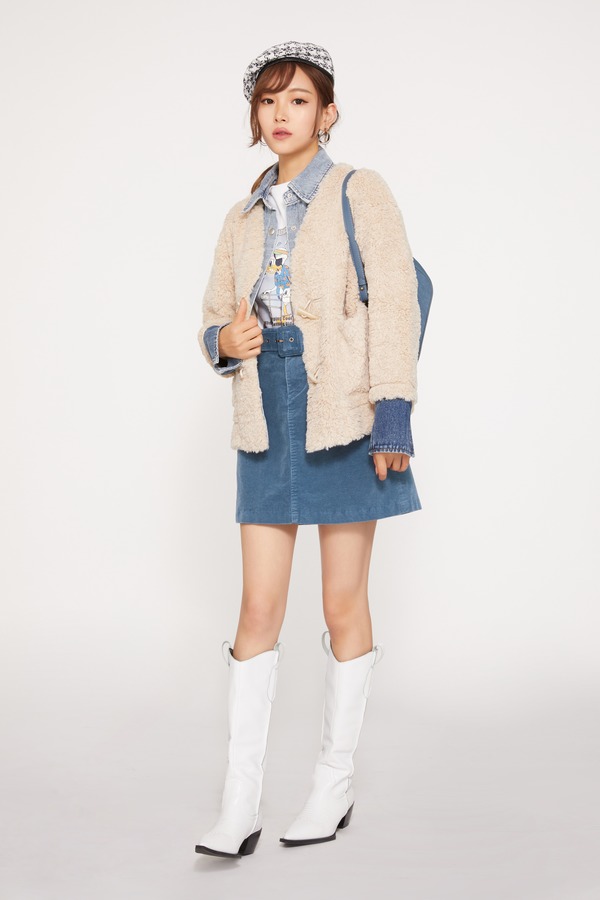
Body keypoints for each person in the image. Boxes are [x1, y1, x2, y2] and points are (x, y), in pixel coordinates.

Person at [195, 40, 422, 859]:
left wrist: (392, 414)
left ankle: (333, 782)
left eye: (297, 100)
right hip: (265, 410)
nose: (280, 114)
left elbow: (396, 298)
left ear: (328, 113)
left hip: (345, 409)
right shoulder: (241, 216)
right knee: (257, 607)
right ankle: (240, 802)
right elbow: (213, 317)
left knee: (339, 602)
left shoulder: (362, 190)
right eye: (268, 100)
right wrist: (223, 341)